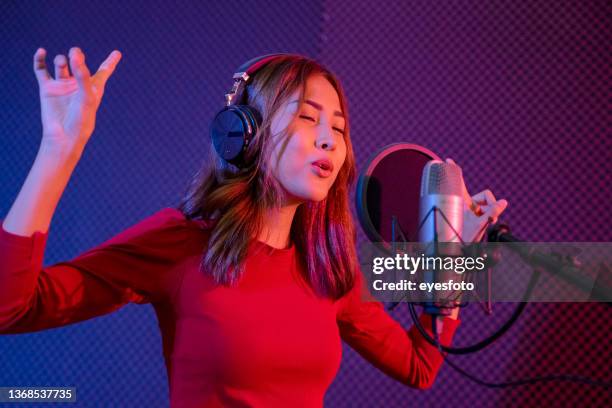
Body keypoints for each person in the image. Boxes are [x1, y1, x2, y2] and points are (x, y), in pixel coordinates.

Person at [0, 47, 508, 407]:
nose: (330, 139)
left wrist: (452, 261)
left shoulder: (330, 268)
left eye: (340, 127)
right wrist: (57, 151)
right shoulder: (181, 241)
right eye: (310, 118)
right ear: (245, 133)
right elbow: (11, 308)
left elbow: (421, 367)